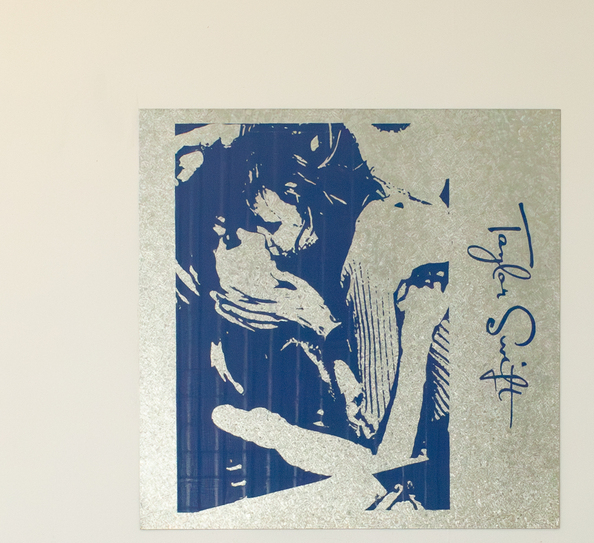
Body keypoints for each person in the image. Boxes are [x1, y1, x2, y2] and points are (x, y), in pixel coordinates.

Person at [174, 121, 449, 512]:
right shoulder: (392, 208)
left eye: (271, 224)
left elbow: (385, 455)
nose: (268, 240)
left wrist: (315, 320)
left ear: (302, 198)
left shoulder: (369, 251)